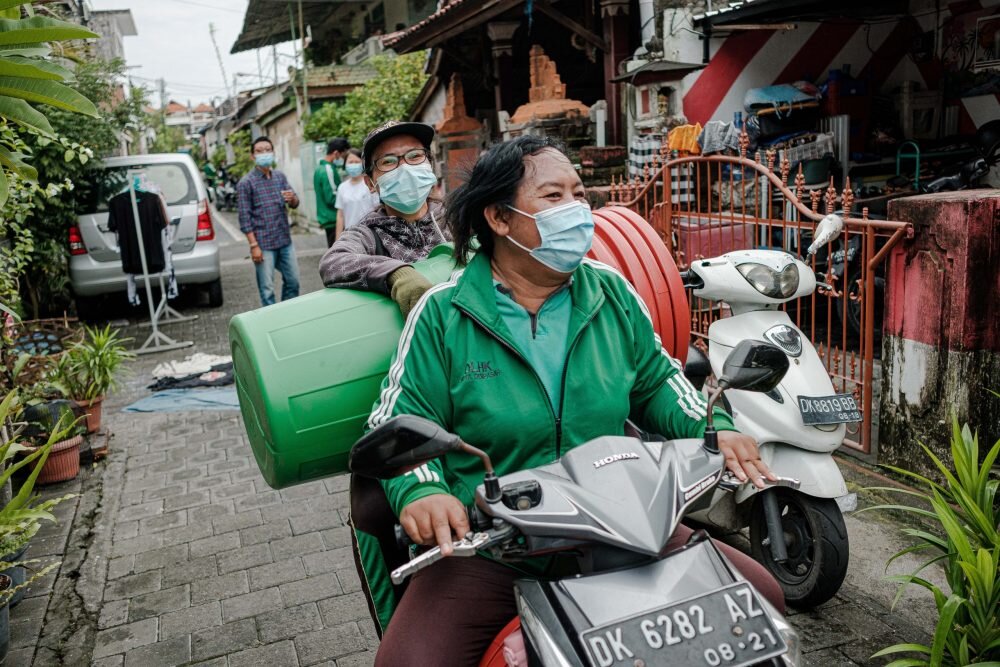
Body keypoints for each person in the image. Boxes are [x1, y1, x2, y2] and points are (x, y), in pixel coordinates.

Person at [355, 136, 786, 665]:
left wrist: (714, 428)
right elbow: (402, 417)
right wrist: (420, 492)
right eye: (554, 197)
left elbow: (657, 382)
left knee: (759, 597)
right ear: (500, 218)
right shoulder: (442, 314)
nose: (578, 210)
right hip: (496, 543)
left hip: (620, 524)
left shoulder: (611, 291)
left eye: (580, 194)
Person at [318, 120, 449, 318]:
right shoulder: (368, 234)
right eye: (388, 161)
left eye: (415, 156)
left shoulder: (457, 218)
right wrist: (395, 274)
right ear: (370, 183)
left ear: (429, 164)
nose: (404, 168)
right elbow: (333, 263)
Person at [237, 136, 301, 307]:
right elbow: (244, 217)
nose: (264, 153)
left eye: (267, 150)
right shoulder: (246, 183)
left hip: (284, 240)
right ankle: (271, 323)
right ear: (252, 156)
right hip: (263, 244)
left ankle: (286, 315)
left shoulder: (280, 177)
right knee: (267, 290)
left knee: (293, 282)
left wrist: (292, 198)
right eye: (259, 151)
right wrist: (253, 246)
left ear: (273, 153)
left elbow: (295, 203)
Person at [334, 148, 379, 236]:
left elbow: (378, 209)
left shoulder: (370, 184)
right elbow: (340, 215)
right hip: (350, 235)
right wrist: (338, 239)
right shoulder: (342, 187)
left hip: (370, 234)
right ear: (345, 164)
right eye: (350, 162)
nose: (353, 165)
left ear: (362, 163)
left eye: (356, 162)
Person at [315, 137, 350, 247]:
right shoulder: (327, 170)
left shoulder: (320, 168)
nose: (343, 160)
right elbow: (331, 197)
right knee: (339, 252)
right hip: (333, 218)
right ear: (336, 153)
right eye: (343, 156)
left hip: (328, 218)